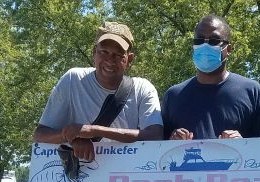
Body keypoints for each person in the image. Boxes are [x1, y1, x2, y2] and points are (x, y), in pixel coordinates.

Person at [33, 22, 163, 162]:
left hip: (125, 179)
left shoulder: (143, 88)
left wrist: (93, 131)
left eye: (118, 55)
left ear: (129, 59)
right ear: (94, 52)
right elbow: (40, 134)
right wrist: (73, 138)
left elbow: (155, 135)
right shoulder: (72, 80)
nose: (110, 60)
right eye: (104, 52)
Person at [161, 15, 260, 140]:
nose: (205, 46)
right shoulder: (173, 96)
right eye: (199, 40)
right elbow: (158, 149)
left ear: (228, 49)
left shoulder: (252, 92)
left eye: (214, 40)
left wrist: (243, 144)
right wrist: (171, 140)